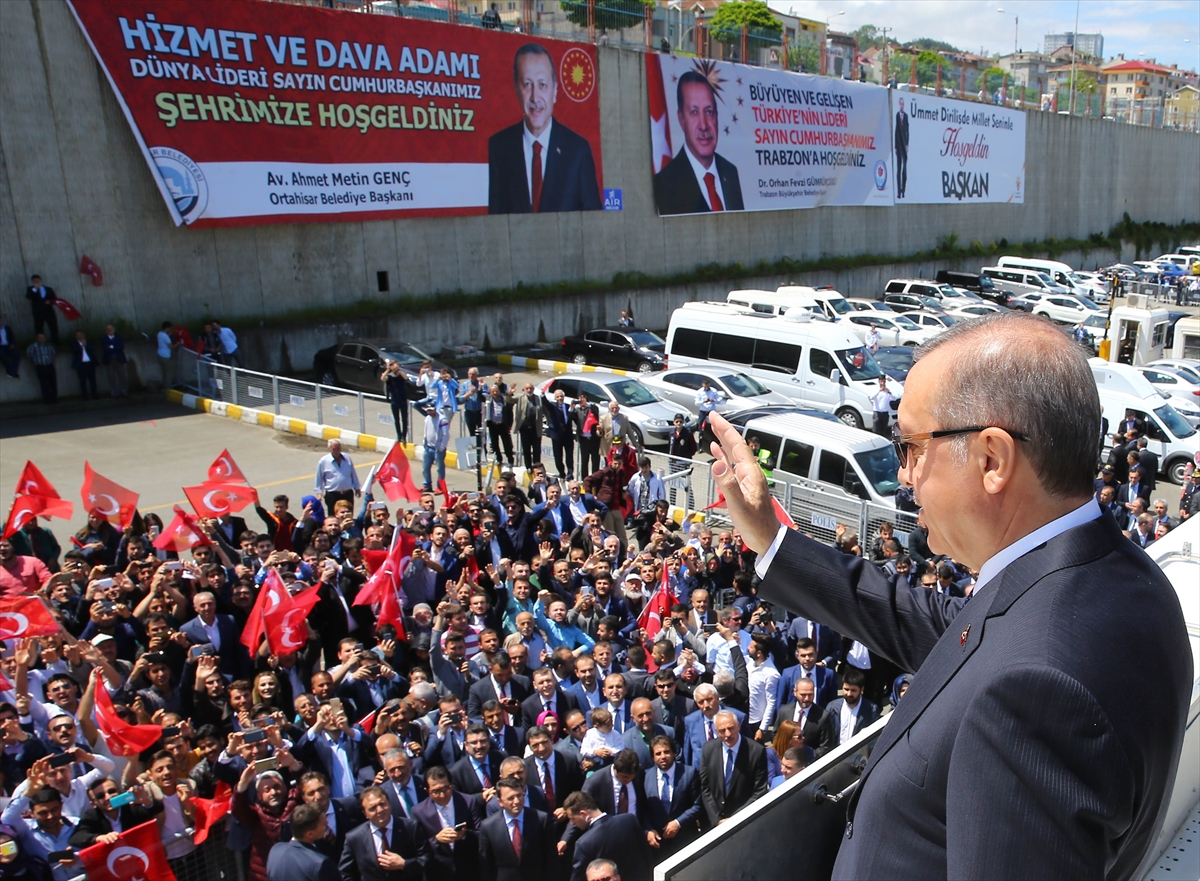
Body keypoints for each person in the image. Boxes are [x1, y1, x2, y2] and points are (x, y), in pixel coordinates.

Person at [704, 310, 1191, 877]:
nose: (904, 475)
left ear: (992, 460)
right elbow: (938, 627)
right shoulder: (1117, 580)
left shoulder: (1034, 692)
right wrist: (770, 535)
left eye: (911, 447)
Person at [487, 43, 601, 214]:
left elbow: (593, 219)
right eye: (527, 84)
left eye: (542, 85)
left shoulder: (577, 150)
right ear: (517, 89)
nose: (535, 97)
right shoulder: (500, 147)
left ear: (555, 91)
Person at [653, 71, 744, 215]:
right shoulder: (665, 182)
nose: (703, 125)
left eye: (709, 112)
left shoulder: (730, 172)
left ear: (717, 116)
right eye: (694, 112)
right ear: (681, 119)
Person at [339, 785, 428, 880]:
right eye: (373, 808)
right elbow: (345, 873)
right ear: (365, 814)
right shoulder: (354, 838)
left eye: (382, 804)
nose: (380, 810)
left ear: (389, 803)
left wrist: (404, 864)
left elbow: (427, 860)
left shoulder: (411, 827)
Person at [562, 790, 652, 881]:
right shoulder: (629, 820)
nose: (572, 823)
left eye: (572, 818)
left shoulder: (584, 844)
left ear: (583, 814)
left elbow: (578, 878)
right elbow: (647, 854)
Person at [698, 709, 768, 826]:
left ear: (738, 726)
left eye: (731, 728)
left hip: (744, 821)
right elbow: (705, 787)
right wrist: (716, 819)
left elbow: (759, 791)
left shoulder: (756, 751)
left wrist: (734, 820)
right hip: (716, 822)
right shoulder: (708, 750)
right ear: (716, 731)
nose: (727, 734)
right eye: (722, 731)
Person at [478, 776, 555, 881]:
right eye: (510, 798)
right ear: (500, 802)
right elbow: (486, 864)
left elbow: (551, 858)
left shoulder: (540, 820)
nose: (517, 801)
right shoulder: (488, 826)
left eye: (519, 795)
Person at [268, 802, 340, 881]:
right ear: (310, 834)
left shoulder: (275, 850)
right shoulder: (320, 864)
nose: (327, 823)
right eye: (323, 824)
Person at [315, 439, 361, 512]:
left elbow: (353, 473)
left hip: (347, 493)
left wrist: (357, 487)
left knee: (348, 515)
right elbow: (319, 477)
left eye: (338, 448)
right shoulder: (324, 461)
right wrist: (319, 492)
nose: (337, 451)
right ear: (329, 449)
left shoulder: (347, 458)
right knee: (333, 516)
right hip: (333, 494)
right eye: (334, 449)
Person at [381, 360, 410, 444]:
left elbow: (406, 378)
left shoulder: (401, 375)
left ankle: (404, 436)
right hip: (394, 400)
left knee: (405, 420)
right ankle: (399, 435)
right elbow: (383, 378)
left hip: (403, 400)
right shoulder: (390, 377)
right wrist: (387, 369)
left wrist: (398, 370)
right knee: (396, 420)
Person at [96, 325, 128, 398]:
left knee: (122, 375)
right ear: (106, 331)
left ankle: (124, 391)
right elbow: (105, 349)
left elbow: (121, 347)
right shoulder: (103, 338)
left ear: (114, 329)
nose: (110, 330)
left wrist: (112, 347)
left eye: (111, 329)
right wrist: (115, 347)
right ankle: (114, 393)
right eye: (108, 329)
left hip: (119, 358)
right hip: (109, 360)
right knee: (111, 377)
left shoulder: (118, 337)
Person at [25, 275, 58, 343]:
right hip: (38, 312)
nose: (37, 282)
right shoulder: (30, 289)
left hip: (49, 312)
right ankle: (40, 343)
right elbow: (28, 296)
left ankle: (55, 343)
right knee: (39, 329)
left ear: (41, 280)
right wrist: (34, 289)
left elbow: (54, 299)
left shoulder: (48, 289)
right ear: (32, 282)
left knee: (53, 327)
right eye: (35, 281)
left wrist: (50, 301)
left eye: (38, 280)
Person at [25, 333, 57, 404]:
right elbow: (29, 355)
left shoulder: (49, 346)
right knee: (44, 383)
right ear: (37, 338)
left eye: (43, 337)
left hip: (49, 365)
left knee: (53, 383)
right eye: (40, 338)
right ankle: (47, 399)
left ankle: (54, 398)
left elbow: (53, 353)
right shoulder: (33, 346)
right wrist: (35, 362)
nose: (42, 339)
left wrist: (50, 360)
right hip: (40, 366)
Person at [894, 96, 910, 199]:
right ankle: (899, 192)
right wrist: (896, 146)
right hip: (899, 146)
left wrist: (907, 144)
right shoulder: (897, 115)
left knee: (904, 169)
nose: (902, 105)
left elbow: (907, 131)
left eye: (903, 104)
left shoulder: (906, 116)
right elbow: (896, 131)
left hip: (904, 146)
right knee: (898, 169)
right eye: (901, 104)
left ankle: (903, 190)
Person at [156, 320, 179, 389]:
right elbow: (171, 346)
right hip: (165, 356)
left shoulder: (159, 334)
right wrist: (177, 344)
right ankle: (168, 389)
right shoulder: (166, 337)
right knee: (169, 373)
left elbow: (165, 336)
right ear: (167, 328)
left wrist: (172, 333)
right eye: (170, 328)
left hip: (159, 355)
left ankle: (164, 386)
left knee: (164, 372)